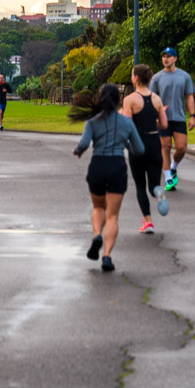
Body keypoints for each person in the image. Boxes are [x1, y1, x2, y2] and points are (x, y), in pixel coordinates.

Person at [71, 83, 145, 272]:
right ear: (119, 100)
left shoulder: (93, 122)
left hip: (97, 166)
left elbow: (84, 144)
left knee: (98, 207)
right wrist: (126, 144)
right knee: (112, 215)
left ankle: (97, 235)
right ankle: (107, 256)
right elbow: (140, 149)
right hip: (117, 166)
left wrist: (77, 151)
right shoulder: (127, 123)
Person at [121, 64, 170, 234]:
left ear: (135, 78)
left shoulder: (130, 100)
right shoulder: (157, 99)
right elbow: (164, 124)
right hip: (154, 142)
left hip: (138, 144)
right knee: (153, 184)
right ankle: (158, 192)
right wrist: (152, 120)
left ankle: (148, 222)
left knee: (141, 185)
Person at [149, 46, 195, 190]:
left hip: (179, 117)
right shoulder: (157, 78)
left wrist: (192, 116)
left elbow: (189, 96)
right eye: (163, 56)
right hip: (163, 119)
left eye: (168, 56)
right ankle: (168, 178)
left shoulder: (184, 76)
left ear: (175, 58)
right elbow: (151, 98)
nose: (165, 59)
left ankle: (173, 167)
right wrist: (155, 114)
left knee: (182, 148)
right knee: (166, 146)